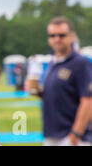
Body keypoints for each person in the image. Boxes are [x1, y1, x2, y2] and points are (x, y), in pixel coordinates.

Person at [26, 16, 92, 146]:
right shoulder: (53, 63)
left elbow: (88, 100)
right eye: (52, 35)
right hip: (52, 135)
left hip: (71, 138)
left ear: (71, 36)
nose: (57, 39)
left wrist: (75, 135)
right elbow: (58, 94)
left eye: (61, 35)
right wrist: (37, 91)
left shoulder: (80, 63)